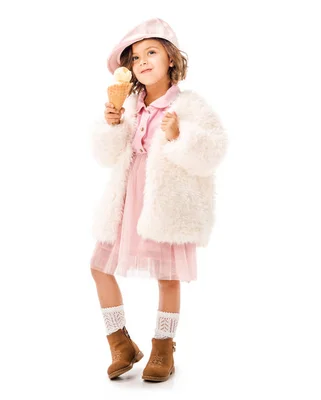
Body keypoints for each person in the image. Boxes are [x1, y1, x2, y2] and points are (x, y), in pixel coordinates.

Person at [89, 17, 228, 382]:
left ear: (170, 59)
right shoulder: (130, 104)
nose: (143, 61)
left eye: (151, 52)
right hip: (127, 196)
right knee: (100, 266)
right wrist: (113, 124)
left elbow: (212, 151)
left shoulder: (189, 105)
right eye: (135, 58)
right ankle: (120, 343)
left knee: (167, 276)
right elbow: (107, 155)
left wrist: (181, 135)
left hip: (164, 201)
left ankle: (163, 348)